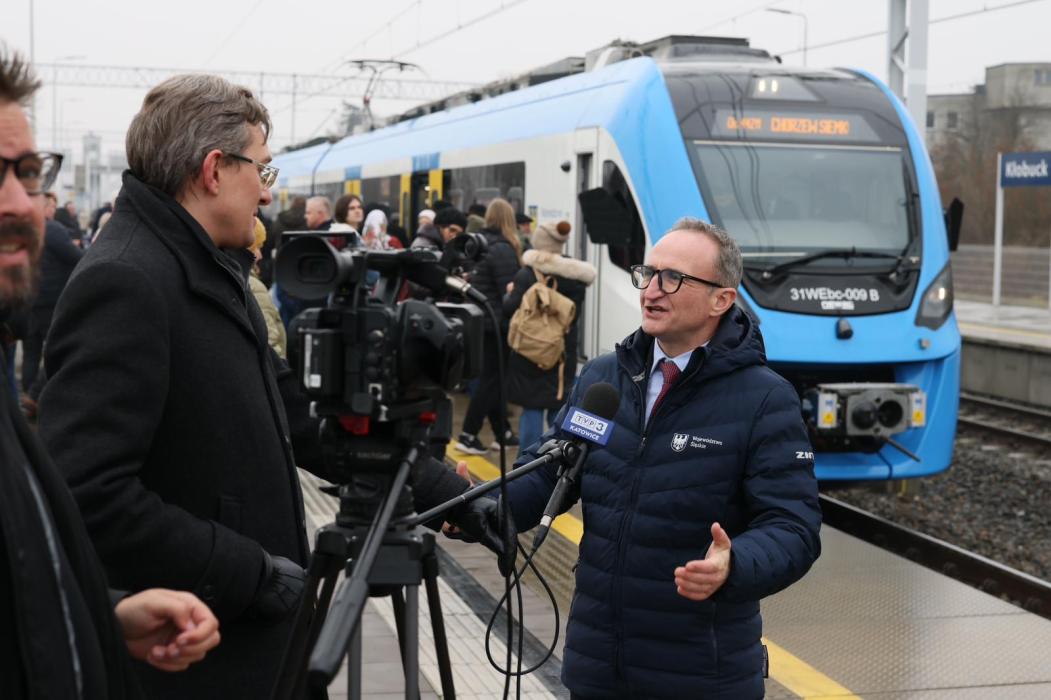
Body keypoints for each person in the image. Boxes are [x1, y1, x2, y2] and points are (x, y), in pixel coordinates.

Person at [37, 72, 501, 699]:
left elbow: (298, 413)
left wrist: (452, 493)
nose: (266, 189)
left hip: (248, 644)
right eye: (262, 168)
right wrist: (249, 573)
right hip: (199, 658)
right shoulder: (128, 281)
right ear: (213, 170)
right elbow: (84, 492)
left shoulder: (203, 266)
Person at [504, 218, 822, 698]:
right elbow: (554, 471)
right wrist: (478, 504)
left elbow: (794, 527)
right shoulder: (604, 379)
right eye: (648, 274)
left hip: (701, 677)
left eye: (673, 278)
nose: (651, 290)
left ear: (721, 299)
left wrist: (735, 563)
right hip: (598, 669)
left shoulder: (765, 399)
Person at [0, 44, 220, 699]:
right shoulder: (130, 278)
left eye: (27, 172)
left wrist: (99, 616)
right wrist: (250, 570)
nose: (21, 204)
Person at [503, 220, 594, 451]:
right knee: (558, 407)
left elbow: (510, 308)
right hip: (562, 351)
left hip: (530, 350)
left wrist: (509, 294)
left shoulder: (526, 274)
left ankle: (527, 461)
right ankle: (556, 458)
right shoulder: (576, 277)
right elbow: (574, 315)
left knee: (532, 407)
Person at [455, 197, 522, 454]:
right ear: (508, 219)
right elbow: (509, 290)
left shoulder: (478, 243)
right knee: (492, 380)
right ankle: (468, 434)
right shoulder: (503, 248)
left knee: (493, 378)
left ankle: (502, 432)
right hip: (496, 323)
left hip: (478, 320)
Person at [20, 192, 85, 417]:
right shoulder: (52, 229)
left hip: (29, 299)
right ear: (44, 207)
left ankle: (27, 398)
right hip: (51, 299)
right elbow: (76, 257)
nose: (53, 210)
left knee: (31, 351)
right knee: (55, 348)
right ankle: (36, 396)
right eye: (51, 206)